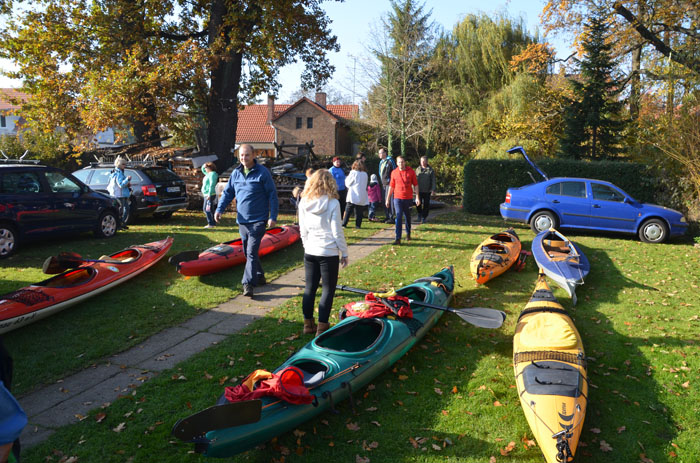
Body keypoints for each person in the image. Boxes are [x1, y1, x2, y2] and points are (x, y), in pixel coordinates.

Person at [215, 144, 279, 298]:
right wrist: (219, 209)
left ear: (254, 155)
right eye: (241, 155)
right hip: (242, 220)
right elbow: (228, 193)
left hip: (258, 220)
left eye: (247, 155)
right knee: (247, 252)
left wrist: (273, 216)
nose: (244, 158)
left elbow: (272, 195)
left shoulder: (262, 173)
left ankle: (248, 284)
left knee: (250, 252)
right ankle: (260, 275)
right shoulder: (236, 173)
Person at [298, 170, 349, 336]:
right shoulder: (333, 203)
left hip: (311, 250)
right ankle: (322, 326)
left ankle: (308, 324)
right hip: (328, 251)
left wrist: (307, 245)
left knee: (309, 288)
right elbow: (337, 231)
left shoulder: (304, 201)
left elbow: (302, 229)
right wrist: (344, 252)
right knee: (328, 289)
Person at [386, 156, 419, 245]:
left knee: (407, 217)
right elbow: (391, 186)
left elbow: (415, 185)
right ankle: (398, 238)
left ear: (405, 162)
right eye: (399, 162)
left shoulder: (411, 171)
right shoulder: (394, 173)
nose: (401, 164)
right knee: (398, 216)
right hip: (397, 198)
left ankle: (408, 233)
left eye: (403, 162)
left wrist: (417, 197)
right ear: (397, 163)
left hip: (408, 198)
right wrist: (388, 199)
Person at [342, 160, 369, 229]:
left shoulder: (353, 173)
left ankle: (344, 223)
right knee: (359, 211)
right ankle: (358, 225)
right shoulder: (365, 174)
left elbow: (348, 183)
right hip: (362, 194)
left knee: (348, 210)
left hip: (353, 194)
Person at [107, 157, 132, 230]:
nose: (125, 165)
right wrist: (127, 179)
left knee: (126, 209)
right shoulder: (118, 173)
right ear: (119, 165)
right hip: (119, 195)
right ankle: (119, 224)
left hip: (120, 194)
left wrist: (127, 184)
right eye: (123, 164)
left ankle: (122, 223)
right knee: (121, 210)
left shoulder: (116, 172)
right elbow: (120, 184)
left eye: (125, 164)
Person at [415, 156, 436, 224]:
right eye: (421, 161)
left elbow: (433, 180)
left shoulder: (430, 170)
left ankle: (424, 217)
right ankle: (419, 214)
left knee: (426, 205)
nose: (422, 163)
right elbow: (414, 180)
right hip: (419, 190)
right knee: (418, 204)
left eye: (424, 161)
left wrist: (433, 189)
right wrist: (413, 188)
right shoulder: (417, 169)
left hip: (427, 190)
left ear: (427, 161)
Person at [377, 148, 396, 223]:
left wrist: (392, 181)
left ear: (385, 153)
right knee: (385, 200)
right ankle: (387, 216)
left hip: (389, 184)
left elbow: (394, 171)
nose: (379, 155)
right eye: (379, 153)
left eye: (381, 153)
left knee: (390, 200)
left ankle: (392, 217)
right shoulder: (381, 162)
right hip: (383, 184)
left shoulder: (390, 161)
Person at [201, 162, 219, 228]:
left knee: (206, 209)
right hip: (207, 194)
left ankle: (211, 223)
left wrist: (209, 194)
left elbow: (212, 184)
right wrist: (205, 164)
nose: (205, 169)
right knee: (210, 209)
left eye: (206, 168)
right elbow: (202, 169)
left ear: (210, 168)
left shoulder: (212, 174)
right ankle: (213, 223)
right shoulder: (208, 174)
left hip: (210, 194)